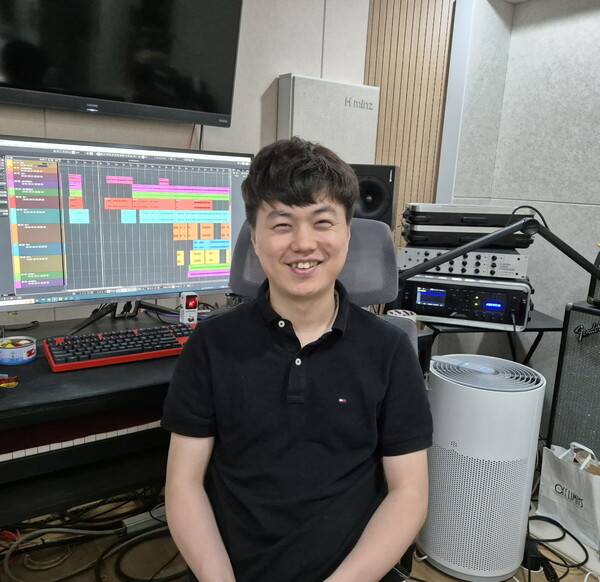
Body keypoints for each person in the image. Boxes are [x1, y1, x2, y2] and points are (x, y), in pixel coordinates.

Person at [161, 137, 433, 582]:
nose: (304, 244)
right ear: (255, 238)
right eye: (282, 224)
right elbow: (183, 483)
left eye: (322, 222)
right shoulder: (211, 344)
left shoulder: (389, 350)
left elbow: (409, 494)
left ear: (347, 232)